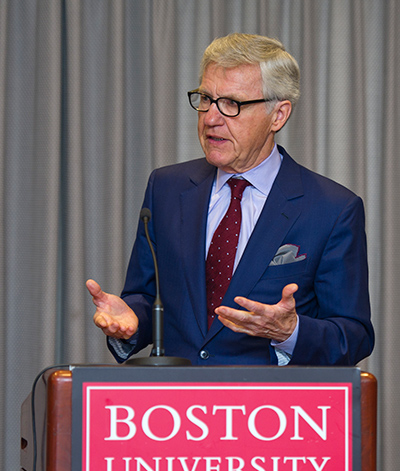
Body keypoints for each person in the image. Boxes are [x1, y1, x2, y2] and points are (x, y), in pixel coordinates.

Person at [86, 33, 374, 366]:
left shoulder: (332, 209)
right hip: (173, 407)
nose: (210, 117)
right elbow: (148, 298)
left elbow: (354, 337)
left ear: (278, 115)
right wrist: (131, 321)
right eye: (206, 99)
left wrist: (289, 331)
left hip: (268, 410)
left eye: (231, 104)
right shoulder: (167, 188)